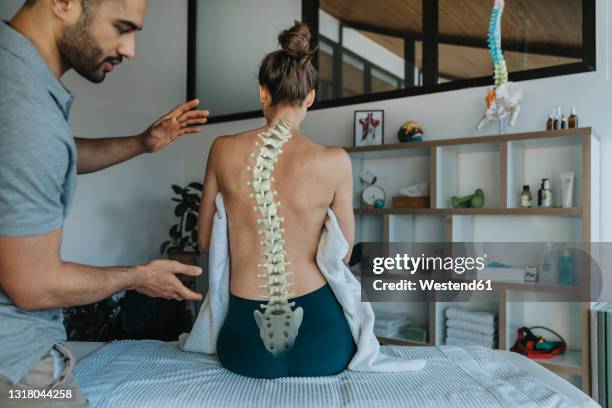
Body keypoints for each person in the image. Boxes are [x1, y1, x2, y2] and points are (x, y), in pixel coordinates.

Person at [0, 0, 209, 406]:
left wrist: (140, 144)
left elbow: (46, 154)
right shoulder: (28, 111)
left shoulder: (13, 77)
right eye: (122, 27)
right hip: (16, 371)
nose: (130, 49)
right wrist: (138, 276)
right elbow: (33, 285)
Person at [197, 22, 356, 378]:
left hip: (245, 341)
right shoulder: (335, 161)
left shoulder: (222, 150)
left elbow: (206, 241)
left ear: (262, 94)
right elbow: (343, 253)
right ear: (311, 96)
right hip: (322, 336)